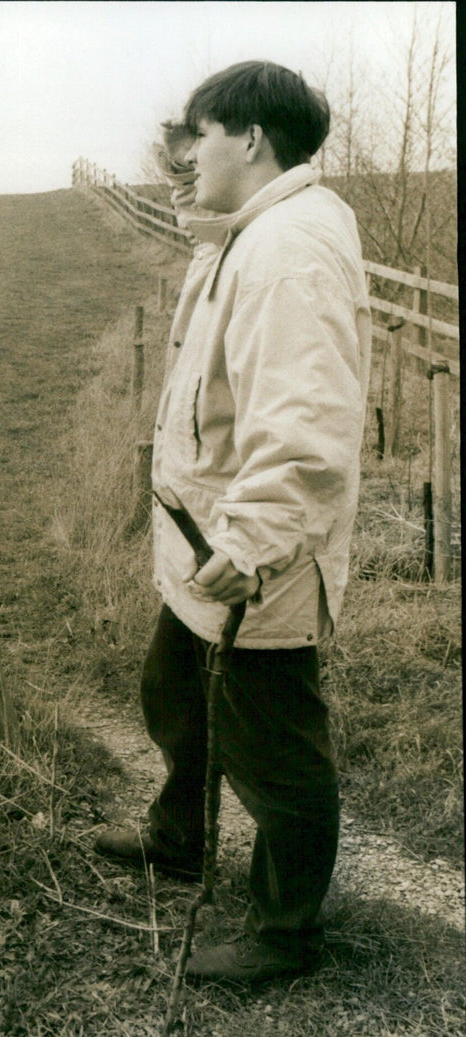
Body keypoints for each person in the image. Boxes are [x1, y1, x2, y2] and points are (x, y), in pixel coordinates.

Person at [95, 60, 371, 982]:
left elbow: (306, 424)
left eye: (199, 134)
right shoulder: (243, 237)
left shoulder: (290, 252)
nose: (186, 153)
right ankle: (180, 840)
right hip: (206, 546)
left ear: (250, 138)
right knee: (175, 697)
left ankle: (285, 932)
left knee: (276, 753)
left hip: (253, 558)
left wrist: (254, 540)